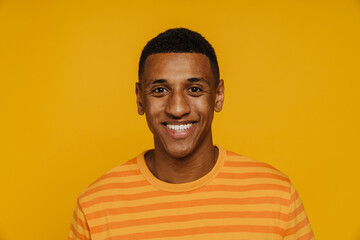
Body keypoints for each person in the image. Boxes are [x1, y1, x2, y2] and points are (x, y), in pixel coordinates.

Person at [69, 28, 314, 240]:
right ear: (139, 98)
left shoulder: (277, 197)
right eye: (160, 90)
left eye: (194, 89)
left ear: (218, 96)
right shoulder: (96, 206)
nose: (177, 108)